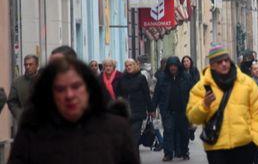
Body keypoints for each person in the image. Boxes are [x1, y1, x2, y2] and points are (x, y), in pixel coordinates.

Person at [8, 57, 139, 164]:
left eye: (76, 86)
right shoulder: (33, 130)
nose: (69, 95)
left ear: (88, 88)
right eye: (60, 89)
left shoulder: (116, 128)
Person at [187, 44, 258, 164]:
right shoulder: (202, 87)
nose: (224, 64)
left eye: (226, 60)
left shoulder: (247, 83)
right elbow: (193, 117)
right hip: (216, 147)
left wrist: (256, 139)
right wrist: (204, 105)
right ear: (212, 65)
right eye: (219, 62)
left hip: (244, 146)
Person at [153, 56, 193, 161]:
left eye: (175, 66)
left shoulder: (186, 77)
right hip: (167, 110)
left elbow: (192, 93)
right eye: (171, 66)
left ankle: (185, 151)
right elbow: (156, 94)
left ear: (178, 66)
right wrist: (152, 109)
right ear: (168, 67)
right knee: (168, 131)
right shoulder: (162, 78)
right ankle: (168, 154)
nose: (173, 68)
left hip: (183, 110)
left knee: (184, 132)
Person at [116, 58, 155, 147]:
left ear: (135, 66)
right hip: (125, 111)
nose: (128, 67)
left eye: (130, 65)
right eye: (127, 66)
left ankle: (133, 153)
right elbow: (118, 93)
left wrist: (151, 110)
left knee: (135, 134)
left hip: (138, 110)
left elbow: (146, 95)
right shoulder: (122, 78)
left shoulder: (141, 78)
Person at [8, 54, 39, 121]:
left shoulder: (45, 80)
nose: (27, 67)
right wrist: (20, 115)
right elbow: (12, 102)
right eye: (26, 65)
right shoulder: (17, 83)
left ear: (36, 65)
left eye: (30, 64)